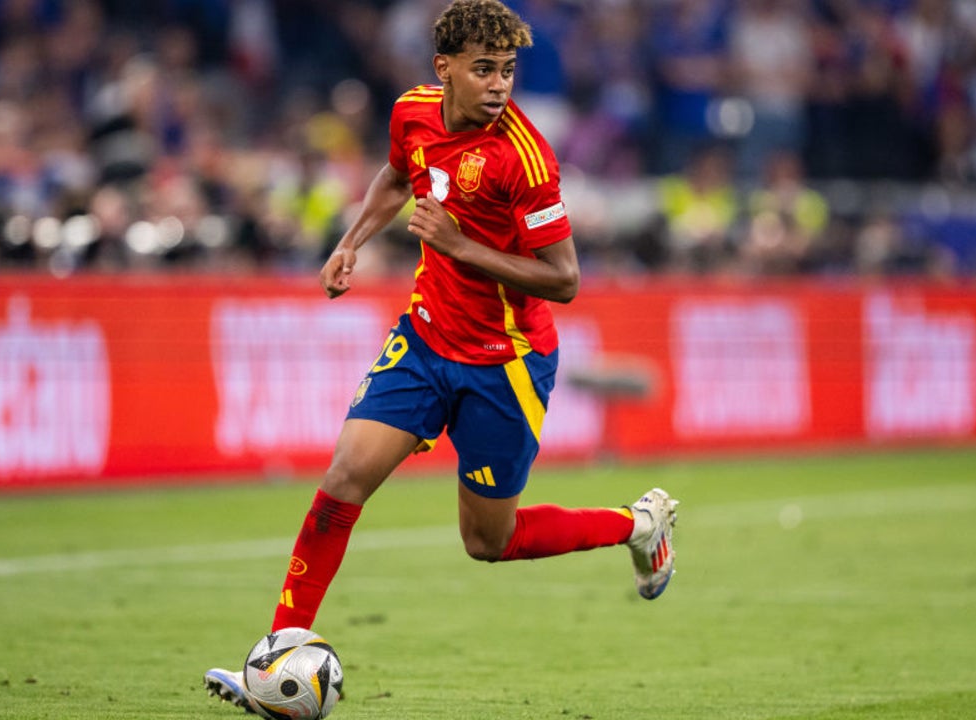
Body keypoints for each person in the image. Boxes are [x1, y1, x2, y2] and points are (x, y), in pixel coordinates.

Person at [204, 0, 678, 712]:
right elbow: (397, 178)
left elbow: (564, 280)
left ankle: (638, 525)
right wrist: (350, 242)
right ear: (445, 68)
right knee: (344, 477)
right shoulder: (412, 112)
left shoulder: (525, 158)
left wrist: (459, 245)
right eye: (484, 69)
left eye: (508, 70)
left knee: (489, 540)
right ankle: (275, 657)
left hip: (505, 362)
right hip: (426, 339)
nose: (499, 85)